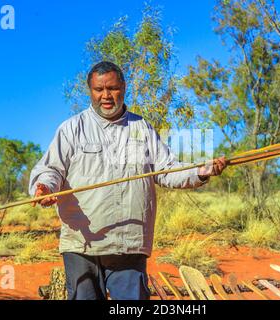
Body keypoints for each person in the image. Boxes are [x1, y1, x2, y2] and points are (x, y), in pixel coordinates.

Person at [29, 61, 227, 300]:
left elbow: (166, 170)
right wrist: (45, 187)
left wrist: (201, 171)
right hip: (82, 244)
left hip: (129, 242)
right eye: (98, 90)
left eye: (112, 88)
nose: (106, 96)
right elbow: (51, 169)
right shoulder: (72, 129)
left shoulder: (141, 128)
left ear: (123, 87)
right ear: (89, 91)